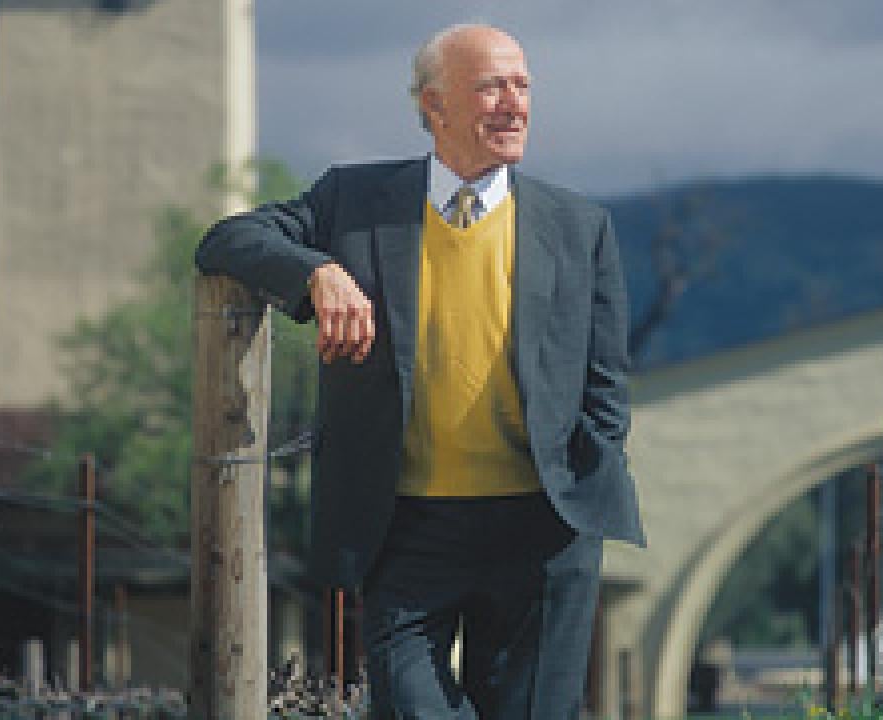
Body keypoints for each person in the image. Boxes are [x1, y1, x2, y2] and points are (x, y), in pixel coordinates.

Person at [195, 23, 644, 719]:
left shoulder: (579, 226)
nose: (515, 104)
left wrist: (588, 475)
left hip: (544, 531)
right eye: (492, 86)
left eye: (523, 86)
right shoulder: (352, 203)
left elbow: (606, 381)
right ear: (434, 105)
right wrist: (316, 270)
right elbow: (226, 240)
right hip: (405, 530)